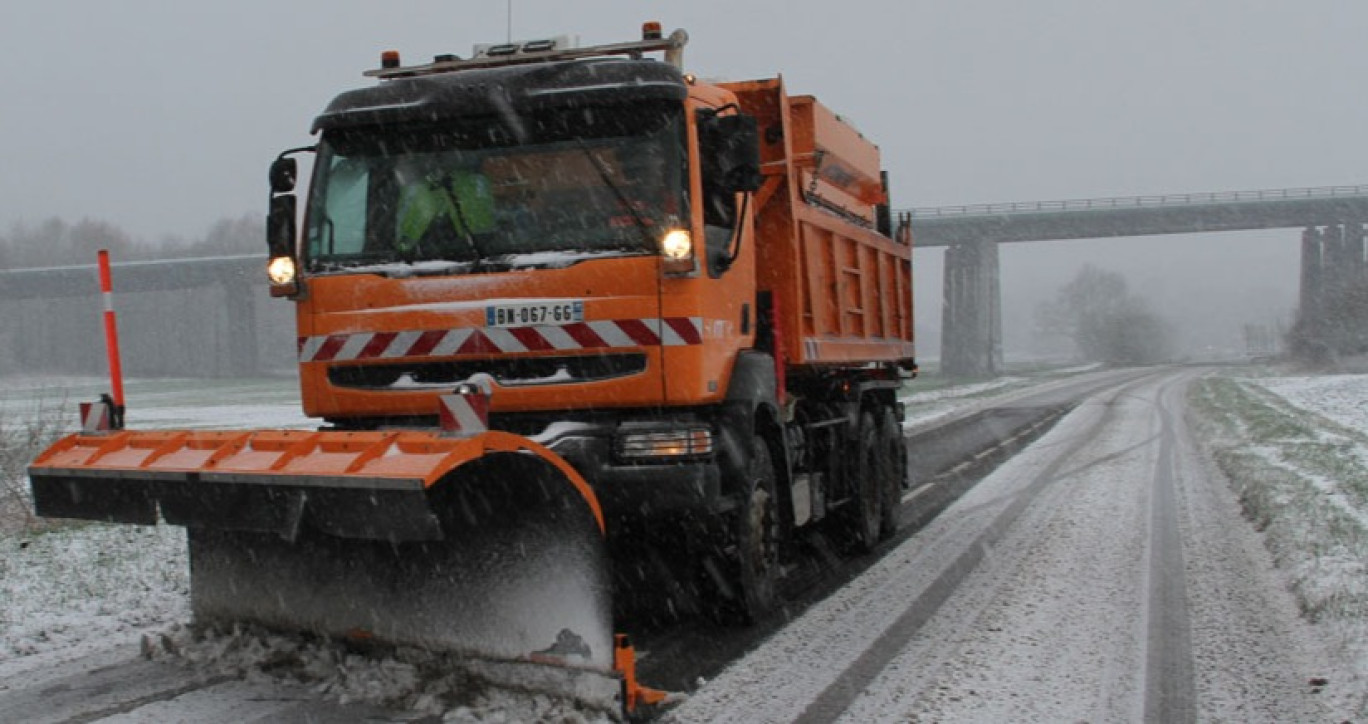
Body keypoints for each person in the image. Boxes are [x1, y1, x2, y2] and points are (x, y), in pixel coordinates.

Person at [396, 162, 495, 256]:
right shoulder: (478, 182)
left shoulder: (414, 191)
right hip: (483, 254)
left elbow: (404, 243)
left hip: (421, 259)